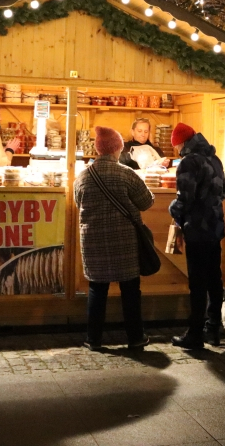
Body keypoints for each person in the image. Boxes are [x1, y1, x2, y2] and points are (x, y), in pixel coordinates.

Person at [75, 126, 156, 350]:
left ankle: (94, 339)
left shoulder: (82, 177)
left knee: (97, 289)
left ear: (98, 149)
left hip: (93, 242)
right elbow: (147, 202)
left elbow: (78, 203)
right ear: (118, 149)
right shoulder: (126, 173)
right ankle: (135, 337)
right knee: (130, 289)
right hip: (124, 241)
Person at [169, 122, 225, 349]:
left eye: (176, 146)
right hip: (215, 226)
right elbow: (222, 192)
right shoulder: (215, 159)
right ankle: (213, 328)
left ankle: (195, 334)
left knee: (197, 282)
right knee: (215, 278)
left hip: (197, 227)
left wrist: (173, 210)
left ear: (182, 143)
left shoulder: (188, 162)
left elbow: (185, 197)